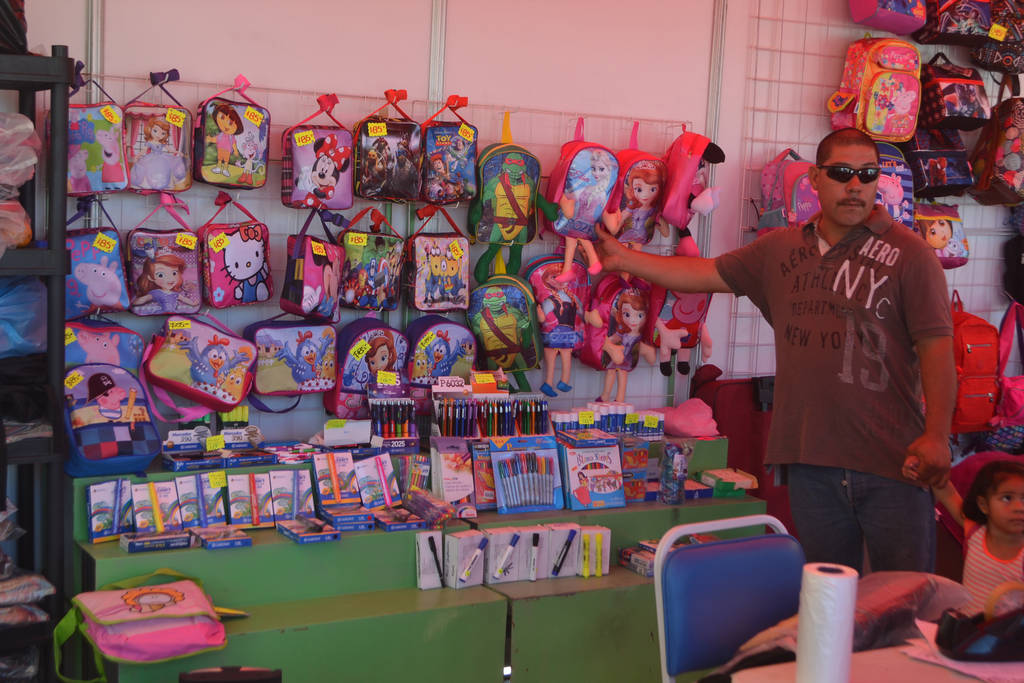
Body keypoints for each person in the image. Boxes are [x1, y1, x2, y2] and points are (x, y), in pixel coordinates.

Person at [595, 128, 956, 574]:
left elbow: (937, 349)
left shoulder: (911, 255)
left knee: (906, 593)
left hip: (894, 460)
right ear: (816, 179)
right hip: (810, 460)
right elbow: (705, 273)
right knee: (827, 592)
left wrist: (937, 435)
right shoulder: (780, 249)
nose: (855, 185)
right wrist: (624, 259)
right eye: (842, 173)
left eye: (867, 174)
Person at [934, 460, 1024, 616]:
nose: (1019, 508)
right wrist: (926, 467)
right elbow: (947, 493)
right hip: (966, 625)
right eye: (1007, 498)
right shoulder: (975, 533)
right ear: (983, 505)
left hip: (1006, 631)